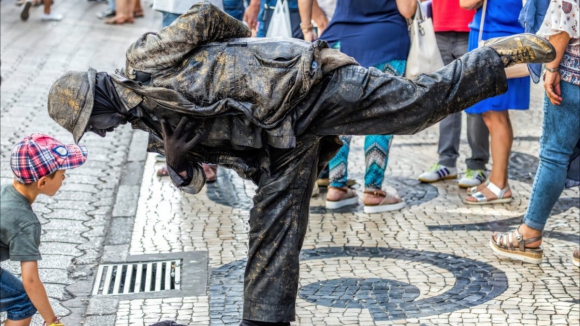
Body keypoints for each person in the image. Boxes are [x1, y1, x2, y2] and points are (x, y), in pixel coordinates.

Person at [45, 3, 554, 324]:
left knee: (411, 108)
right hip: (276, 146)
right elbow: (195, 178)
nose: (100, 131)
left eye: (93, 122)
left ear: (99, 100)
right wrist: (181, 165)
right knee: (271, 235)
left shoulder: (142, 62)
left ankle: (491, 56)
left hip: (302, 84)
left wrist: (247, 51)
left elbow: (204, 19)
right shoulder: (149, 128)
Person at [299, 0, 414, 213]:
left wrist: (307, 27)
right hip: (385, 39)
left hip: (340, 39)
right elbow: (407, 9)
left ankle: (337, 186)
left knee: (338, 116)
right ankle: (373, 191)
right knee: (382, 115)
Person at [489, 0, 579, 265]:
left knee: (554, 155)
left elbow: (568, 11)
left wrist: (552, 66)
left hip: (574, 72)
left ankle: (529, 235)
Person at [1, 134, 88, 326]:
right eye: (62, 175)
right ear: (42, 183)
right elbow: (31, 281)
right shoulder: (25, 222)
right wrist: (52, 321)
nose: (64, 178)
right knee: (22, 302)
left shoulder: (3, 189)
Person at [461, 0, 531, 205]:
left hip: (495, 37)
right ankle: (497, 179)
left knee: (494, 114)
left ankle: (500, 184)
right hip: (505, 35)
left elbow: (466, 3)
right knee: (493, 114)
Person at [417, 0, 491, 188]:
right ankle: (446, 162)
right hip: (439, 26)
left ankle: (477, 163)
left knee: (475, 98)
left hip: (473, 26)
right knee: (445, 99)